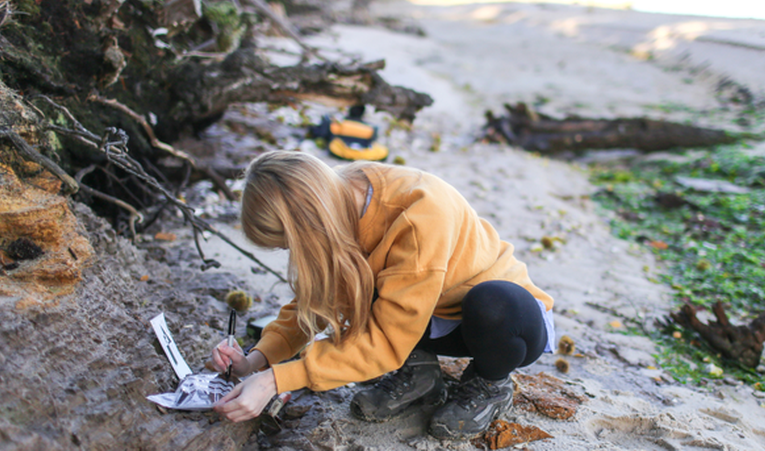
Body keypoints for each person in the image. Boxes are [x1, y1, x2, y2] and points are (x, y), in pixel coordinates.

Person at [211, 150, 555, 439]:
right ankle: (420, 372)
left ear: (309, 226)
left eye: (290, 245)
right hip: (423, 313)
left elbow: (387, 342)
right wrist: (256, 360)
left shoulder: (418, 214)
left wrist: (275, 381)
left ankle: (491, 385)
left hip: (502, 323)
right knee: (359, 277)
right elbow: (314, 301)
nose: (294, 255)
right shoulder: (336, 200)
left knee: (492, 305)